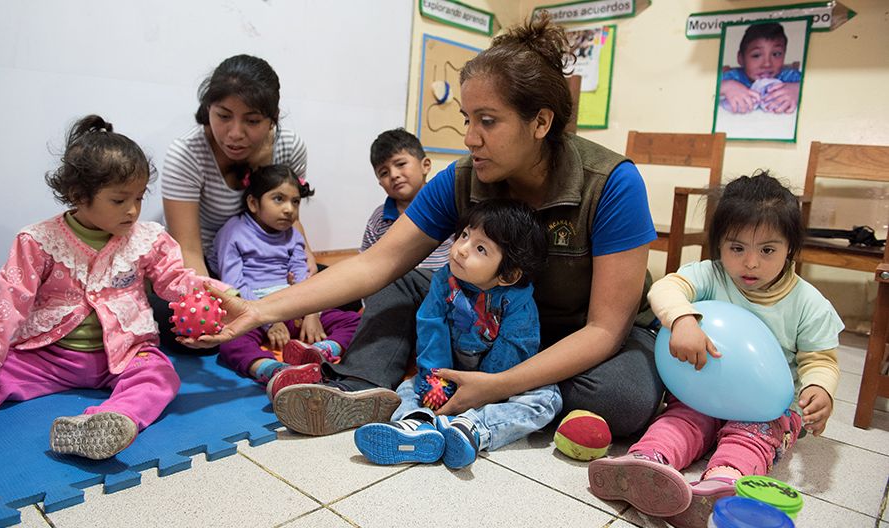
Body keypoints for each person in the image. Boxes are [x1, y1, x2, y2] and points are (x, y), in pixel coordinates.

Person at [185, 14, 664, 443]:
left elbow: (605, 328)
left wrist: (496, 385)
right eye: (466, 119)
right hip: (487, 320)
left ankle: (507, 387)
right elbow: (376, 262)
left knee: (621, 400)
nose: (469, 138)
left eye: (488, 121)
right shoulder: (463, 178)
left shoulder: (610, 183)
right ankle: (360, 387)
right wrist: (257, 308)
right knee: (406, 281)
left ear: (540, 121)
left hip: (576, 331)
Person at [0, 115, 228, 461]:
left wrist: (211, 291)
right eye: (119, 200)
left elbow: (174, 279)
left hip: (122, 354)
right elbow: (6, 301)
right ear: (78, 195)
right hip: (46, 354)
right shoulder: (38, 241)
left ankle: (114, 420)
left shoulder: (147, 239)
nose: (132, 211)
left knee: (160, 376)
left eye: (139, 198)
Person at [587, 172, 843, 528]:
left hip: (766, 408)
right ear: (719, 244)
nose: (750, 262)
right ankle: (646, 464)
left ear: (790, 249)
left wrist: (819, 388)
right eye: (736, 248)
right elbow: (665, 289)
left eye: (767, 250)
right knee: (681, 419)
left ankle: (724, 482)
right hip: (702, 393)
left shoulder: (808, 303)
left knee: (751, 436)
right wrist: (682, 320)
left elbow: (820, 358)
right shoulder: (711, 275)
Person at [354, 199, 561, 469]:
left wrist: (485, 389)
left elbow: (515, 348)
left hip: (499, 383)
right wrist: (434, 379)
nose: (461, 250)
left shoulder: (518, 301)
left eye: (480, 248)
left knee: (548, 397)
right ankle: (417, 426)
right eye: (464, 235)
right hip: (450, 374)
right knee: (408, 386)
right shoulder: (444, 280)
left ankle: (473, 428)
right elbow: (430, 325)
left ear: (508, 275)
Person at [161, 54, 315, 279]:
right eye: (223, 116)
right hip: (208, 262)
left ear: (273, 118)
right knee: (169, 308)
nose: (235, 134)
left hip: (267, 259)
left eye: (252, 121)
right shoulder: (186, 155)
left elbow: (290, 219)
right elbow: (188, 250)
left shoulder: (290, 147)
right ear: (208, 109)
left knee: (342, 296)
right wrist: (223, 300)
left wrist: (305, 254)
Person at [213, 164, 360, 387]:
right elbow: (234, 283)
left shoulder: (292, 235)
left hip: (291, 306)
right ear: (253, 203)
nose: (289, 209)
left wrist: (311, 315)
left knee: (356, 320)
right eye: (278, 199)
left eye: (295, 202)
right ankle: (272, 370)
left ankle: (319, 353)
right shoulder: (233, 232)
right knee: (229, 341)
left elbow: (303, 276)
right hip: (252, 310)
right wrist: (267, 320)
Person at [361, 128, 452, 270]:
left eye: (400, 164)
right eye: (384, 173)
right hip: (397, 287)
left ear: (425, 166)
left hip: (444, 286)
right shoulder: (378, 219)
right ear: (380, 183)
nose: (394, 175)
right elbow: (365, 263)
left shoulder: (447, 205)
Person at [720, 22, 802, 114]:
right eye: (756, 55)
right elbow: (706, 87)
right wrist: (726, 86)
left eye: (776, 54)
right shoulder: (733, 77)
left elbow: (815, 87)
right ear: (741, 58)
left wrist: (798, 90)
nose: (767, 64)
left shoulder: (789, 77)